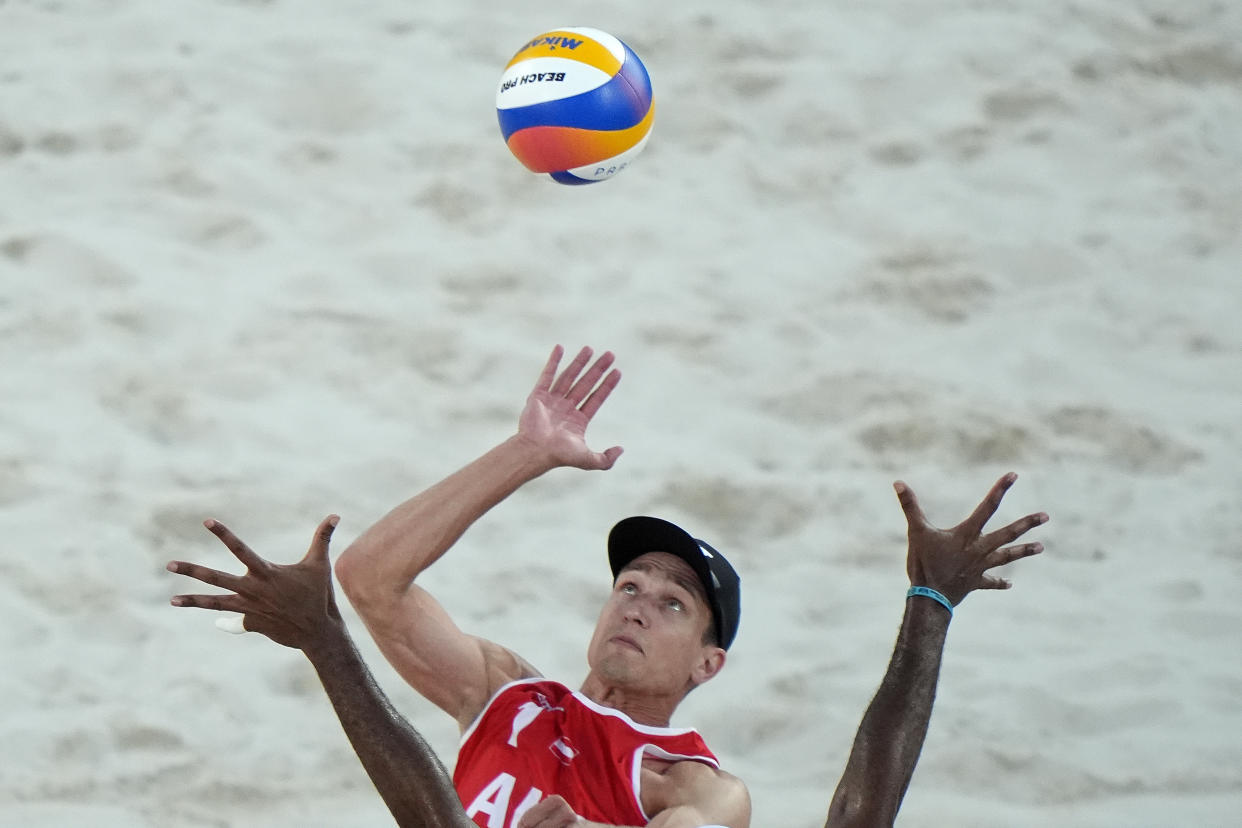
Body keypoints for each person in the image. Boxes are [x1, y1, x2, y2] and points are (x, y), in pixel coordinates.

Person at [168, 344, 1048, 827]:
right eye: (630, 582)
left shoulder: (692, 784)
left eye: (673, 603)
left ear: (709, 665)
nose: (638, 601)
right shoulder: (511, 697)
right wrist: (528, 453)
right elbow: (370, 578)